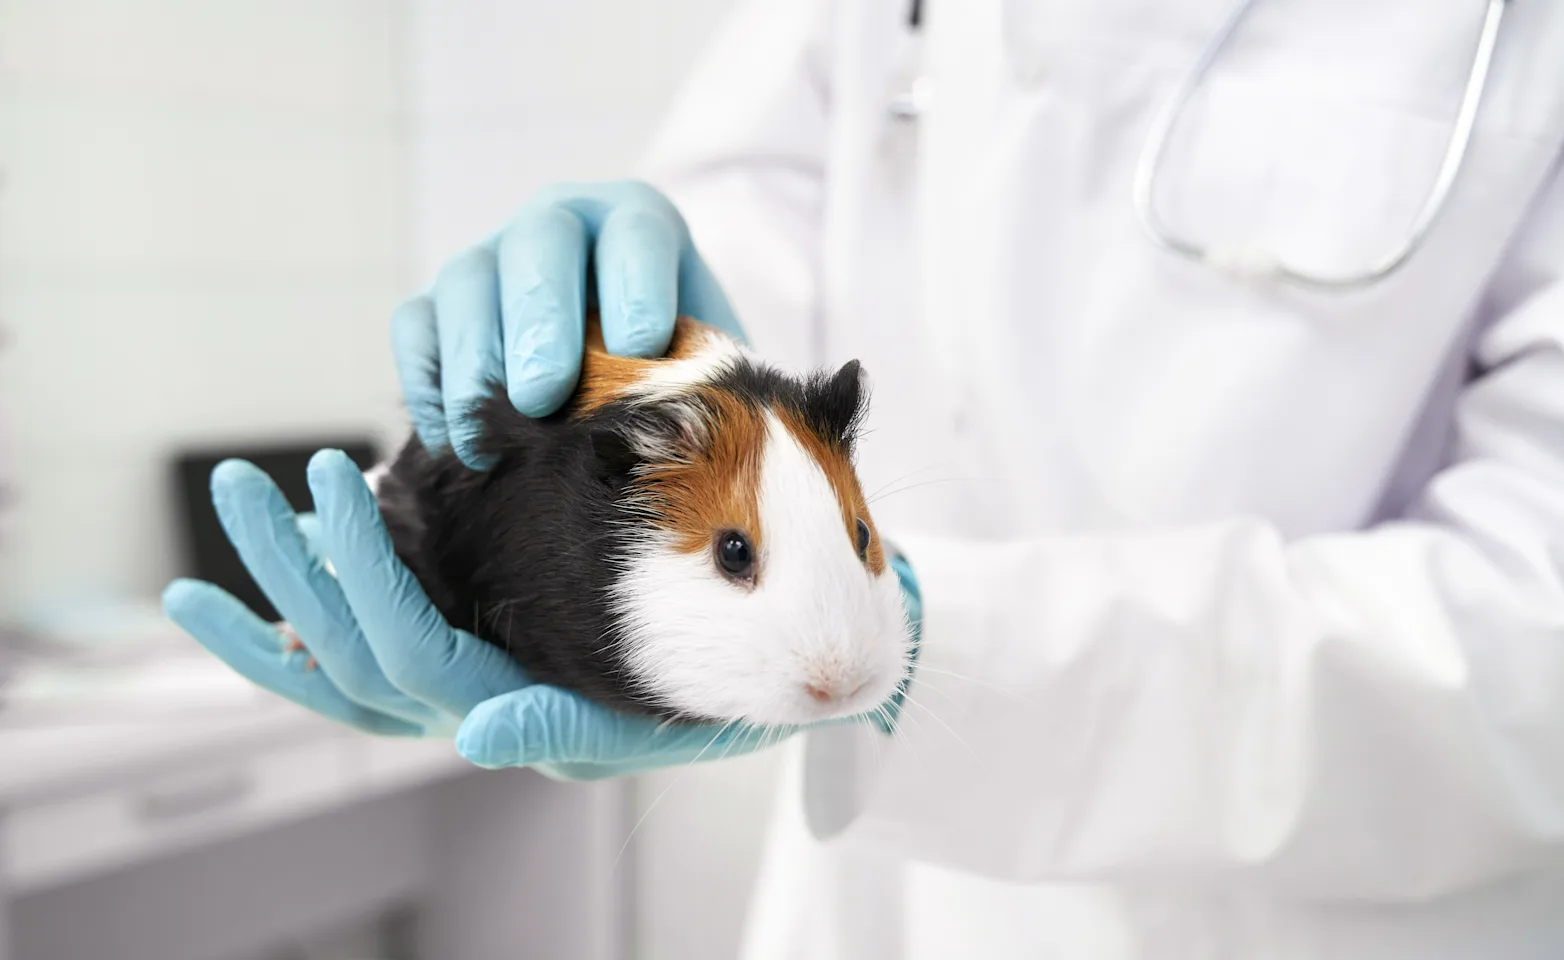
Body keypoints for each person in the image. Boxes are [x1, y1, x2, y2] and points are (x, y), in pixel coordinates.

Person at [164, 1, 1564, 956]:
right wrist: (582, 353)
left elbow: (1533, 637)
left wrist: (937, 642)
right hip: (875, 914)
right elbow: (725, 281)